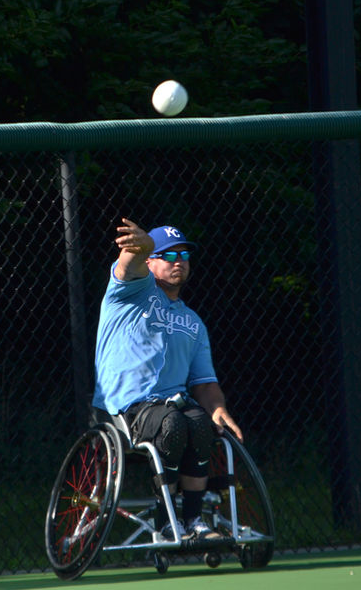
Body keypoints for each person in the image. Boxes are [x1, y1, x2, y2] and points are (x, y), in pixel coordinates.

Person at [92, 218, 243, 541]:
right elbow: (127, 265)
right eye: (169, 256)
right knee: (172, 424)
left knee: (201, 423)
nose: (179, 263)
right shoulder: (131, 292)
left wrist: (218, 409)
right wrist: (140, 248)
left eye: (184, 256)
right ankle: (166, 520)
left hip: (172, 407)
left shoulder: (193, 322)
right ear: (150, 261)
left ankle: (193, 523)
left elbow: (203, 382)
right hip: (125, 408)